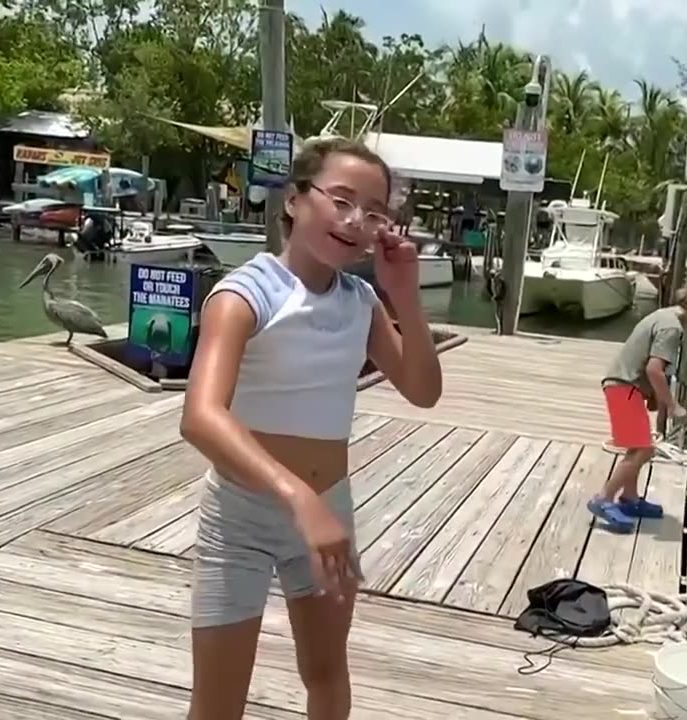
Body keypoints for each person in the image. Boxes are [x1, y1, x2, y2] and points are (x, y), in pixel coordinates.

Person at [179, 137, 443, 720]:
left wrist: (406, 297)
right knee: (217, 705)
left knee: (325, 674)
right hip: (241, 518)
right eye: (342, 200)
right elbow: (199, 417)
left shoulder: (362, 302)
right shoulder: (246, 293)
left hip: (329, 511)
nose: (356, 222)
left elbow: (423, 391)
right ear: (296, 200)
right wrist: (298, 497)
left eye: (375, 212)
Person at [590, 276, 687, 533]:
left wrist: (653, 397)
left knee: (638, 446)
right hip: (625, 387)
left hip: (624, 385)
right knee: (643, 450)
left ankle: (630, 498)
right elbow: (655, 370)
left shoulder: (665, 316)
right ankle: (604, 497)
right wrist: (673, 405)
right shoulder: (672, 329)